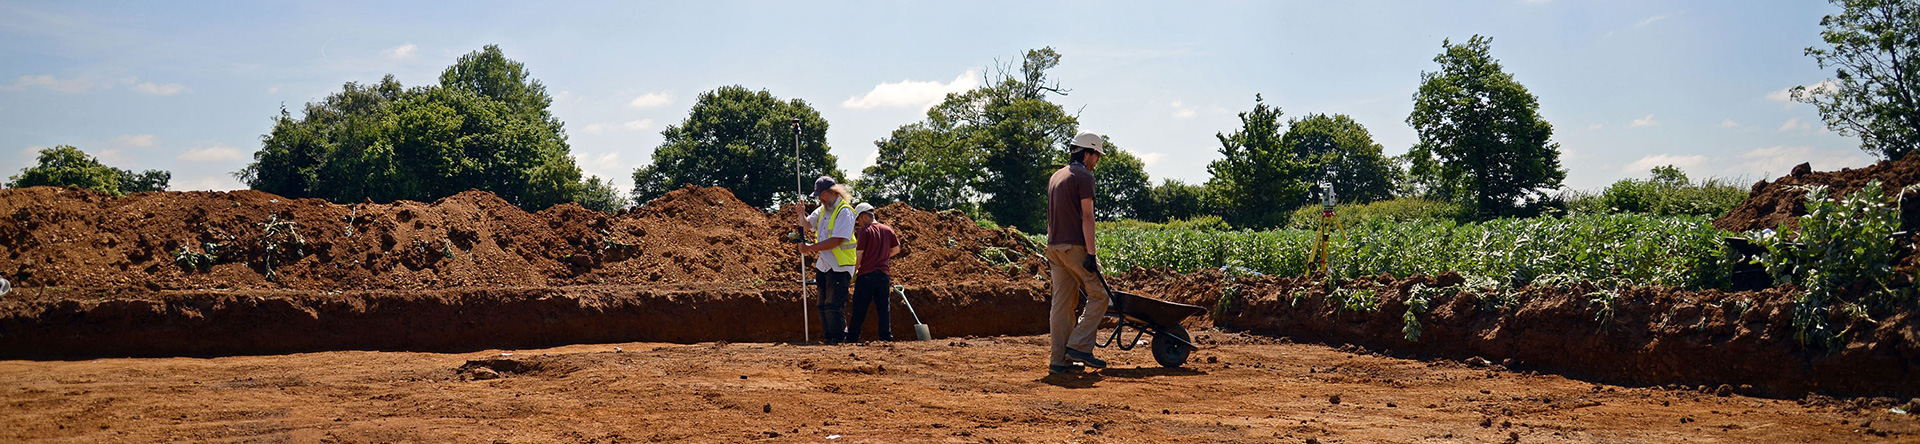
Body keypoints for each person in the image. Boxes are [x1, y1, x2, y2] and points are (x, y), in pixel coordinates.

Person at [1044, 131, 1110, 374]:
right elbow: (1087, 217)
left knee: (1061, 304)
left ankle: (1059, 361)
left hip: (1054, 247)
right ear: (1087, 152)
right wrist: (1091, 255)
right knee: (1101, 294)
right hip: (1074, 247)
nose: (1098, 160)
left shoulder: (1056, 176)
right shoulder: (1083, 176)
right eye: (1097, 155)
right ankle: (1080, 346)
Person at [798, 176, 859, 344]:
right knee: (822, 305)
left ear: (832, 192)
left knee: (833, 305)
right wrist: (801, 213)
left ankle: (839, 339)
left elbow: (837, 240)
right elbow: (807, 225)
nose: (819, 199)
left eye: (821, 194)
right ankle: (829, 338)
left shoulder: (844, 211)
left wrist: (810, 248)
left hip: (840, 266)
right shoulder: (823, 210)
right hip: (824, 266)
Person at [845, 202, 901, 342]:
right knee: (883, 308)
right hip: (883, 275)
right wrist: (881, 256)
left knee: (859, 308)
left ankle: (853, 338)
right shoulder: (888, 230)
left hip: (866, 275)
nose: (858, 223)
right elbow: (896, 250)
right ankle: (886, 338)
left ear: (864, 216)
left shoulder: (865, 231)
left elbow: (859, 254)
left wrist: (854, 271)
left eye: (858, 219)